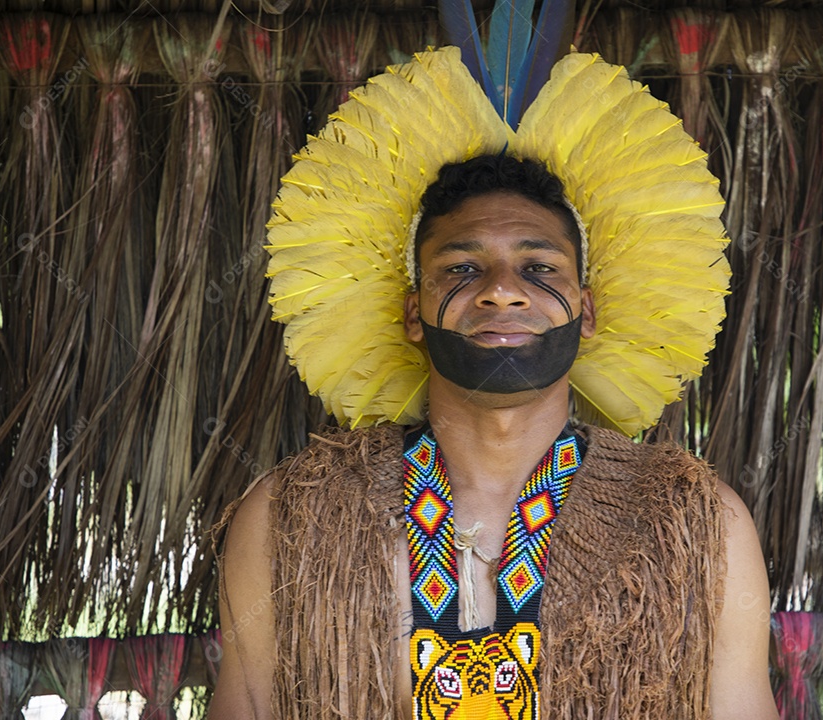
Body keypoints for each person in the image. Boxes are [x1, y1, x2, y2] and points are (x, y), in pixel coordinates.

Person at [209, 48, 778, 720]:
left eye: (539, 269)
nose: (502, 292)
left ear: (587, 311)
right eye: (459, 270)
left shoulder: (699, 528)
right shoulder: (289, 522)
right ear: (411, 313)